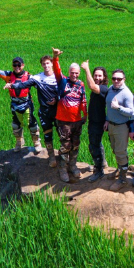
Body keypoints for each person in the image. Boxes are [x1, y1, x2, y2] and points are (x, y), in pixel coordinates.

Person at [0, 56, 41, 153]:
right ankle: (19, 141)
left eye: (19, 65)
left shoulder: (29, 77)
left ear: (23, 65)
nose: (17, 67)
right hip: (15, 105)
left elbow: (40, 86)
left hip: (27, 104)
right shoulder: (8, 75)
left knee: (32, 124)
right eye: (15, 65)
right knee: (16, 124)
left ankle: (37, 142)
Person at [4, 55, 60, 167]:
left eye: (48, 63)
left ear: (52, 64)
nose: (46, 66)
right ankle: (51, 157)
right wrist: (12, 85)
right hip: (44, 112)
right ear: (41, 65)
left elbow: (64, 90)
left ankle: (64, 159)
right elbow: (24, 84)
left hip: (58, 112)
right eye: (44, 64)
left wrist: (57, 99)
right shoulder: (37, 78)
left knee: (62, 134)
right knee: (47, 134)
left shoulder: (58, 77)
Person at [86, 65, 134, 191]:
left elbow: (132, 112)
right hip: (111, 125)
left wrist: (118, 107)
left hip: (121, 127)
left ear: (124, 79)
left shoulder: (126, 94)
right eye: (114, 78)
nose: (116, 81)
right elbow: (108, 107)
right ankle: (119, 170)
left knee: (121, 152)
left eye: (119, 79)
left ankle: (123, 179)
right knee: (115, 150)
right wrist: (107, 119)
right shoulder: (111, 90)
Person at [52, 48, 88, 183]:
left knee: (75, 144)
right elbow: (56, 71)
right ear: (69, 72)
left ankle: (72, 165)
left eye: (77, 73)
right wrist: (55, 58)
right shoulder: (63, 81)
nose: (75, 75)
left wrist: (85, 114)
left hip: (77, 120)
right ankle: (62, 168)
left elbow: (83, 99)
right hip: (63, 121)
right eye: (72, 73)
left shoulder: (81, 84)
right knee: (65, 145)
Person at [80, 61, 109, 182]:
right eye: (95, 75)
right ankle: (103, 163)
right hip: (94, 121)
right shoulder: (99, 89)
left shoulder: (102, 88)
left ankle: (99, 171)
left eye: (99, 76)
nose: (97, 77)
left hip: (97, 122)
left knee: (94, 146)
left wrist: (86, 69)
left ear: (104, 77)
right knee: (97, 143)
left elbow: (92, 86)